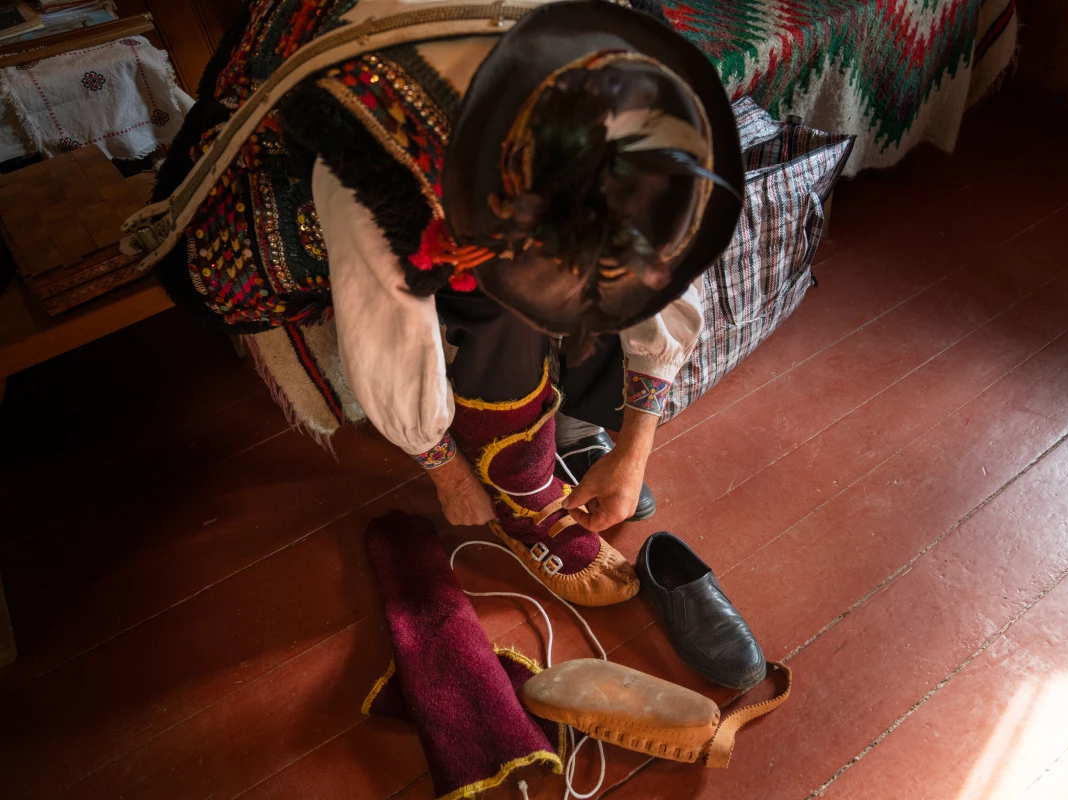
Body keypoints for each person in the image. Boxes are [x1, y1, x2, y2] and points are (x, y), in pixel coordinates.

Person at [145, 0, 743, 606]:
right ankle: (521, 485)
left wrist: (636, 444)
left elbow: (656, 247)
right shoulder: (377, 147)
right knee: (498, 304)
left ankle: (578, 419)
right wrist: (449, 475)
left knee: (586, 261)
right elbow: (384, 330)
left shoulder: (630, 72)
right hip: (262, 170)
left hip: (467, 107)